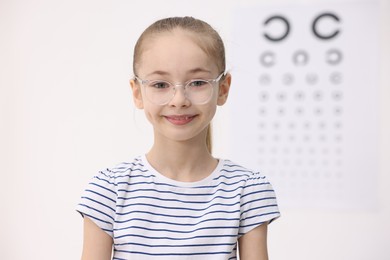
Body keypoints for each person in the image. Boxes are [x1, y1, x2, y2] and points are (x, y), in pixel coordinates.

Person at [76, 16, 280, 260]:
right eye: (160, 84)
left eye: (197, 82)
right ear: (137, 92)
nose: (179, 99)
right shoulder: (109, 189)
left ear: (223, 89)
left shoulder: (247, 189)